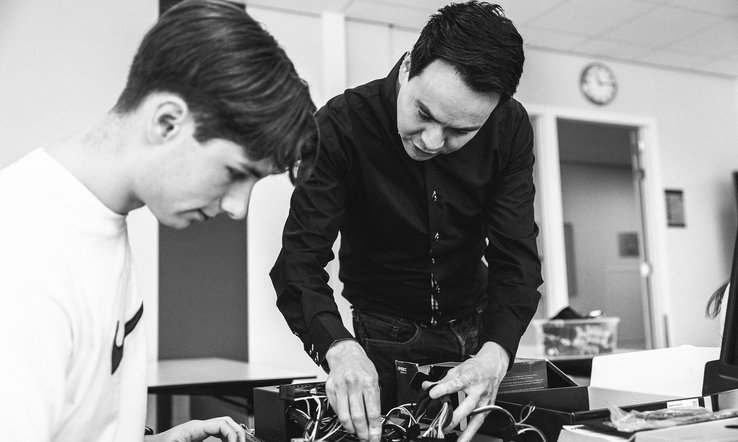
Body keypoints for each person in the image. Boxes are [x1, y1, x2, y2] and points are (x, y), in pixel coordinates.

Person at [0, 1, 317, 441]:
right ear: (167, 122)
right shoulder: (21, 250)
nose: (237, 208)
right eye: (235, 173)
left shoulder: (98, 223)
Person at [270, 2, 541, 441]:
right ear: (409, 65)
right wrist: (339, 348)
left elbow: (517, 258)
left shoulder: (509, 127)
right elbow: (298, 262)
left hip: (478, 330)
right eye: (425, 114)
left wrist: (497, 352)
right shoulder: (341, 125)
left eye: (461, 131)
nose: (432, 141)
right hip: (381, 336)